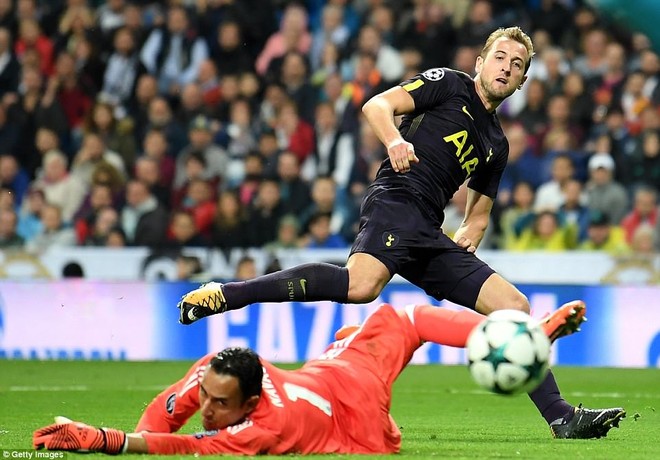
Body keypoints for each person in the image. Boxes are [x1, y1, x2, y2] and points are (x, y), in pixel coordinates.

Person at [177, 27, 623, 439]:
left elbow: (480, 213)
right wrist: (394, 140)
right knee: (361, 285)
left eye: (517, 64)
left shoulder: (496, 143)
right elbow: (377, 105)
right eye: (500, 57)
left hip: (429, 228)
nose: (506, 67)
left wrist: (470, 230)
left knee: (514, 306)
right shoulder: (449, 84)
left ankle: (562, 417)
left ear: (523, 81)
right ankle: (228, 294)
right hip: (397, 198)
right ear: (481, 61)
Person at [33, 302, 621, 455]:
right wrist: (136, 437)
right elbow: (170, 414)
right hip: (335, 369)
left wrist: (108, 441)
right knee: (397, 318)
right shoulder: (230, 376)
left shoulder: (264, 428)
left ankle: (526, 334)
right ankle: (522, 335)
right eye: (208, 400)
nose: (207, 411)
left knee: (401, 316)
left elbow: (185, 445)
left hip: (361, 415)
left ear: (250, 402)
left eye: (219, 406)